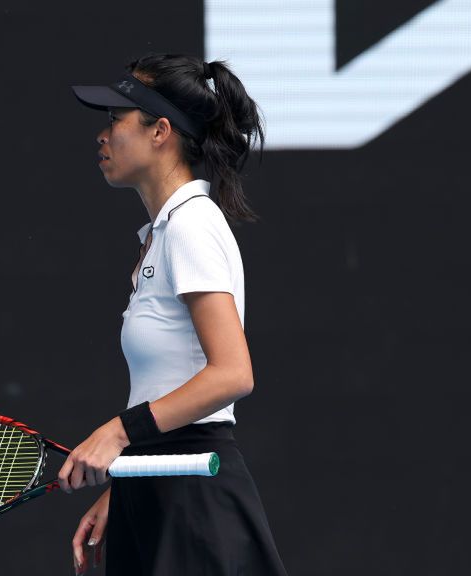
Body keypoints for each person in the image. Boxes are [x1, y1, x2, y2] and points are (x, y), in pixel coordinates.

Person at [60, 54, 287, 575]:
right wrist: (127, 483)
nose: (103, 134)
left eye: (116, 118)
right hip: (158, 479)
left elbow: (233, 373)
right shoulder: (164, 234)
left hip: (195, 496)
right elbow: (168, 380)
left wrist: (119, 434)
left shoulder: (191, 226)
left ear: (160, 131)